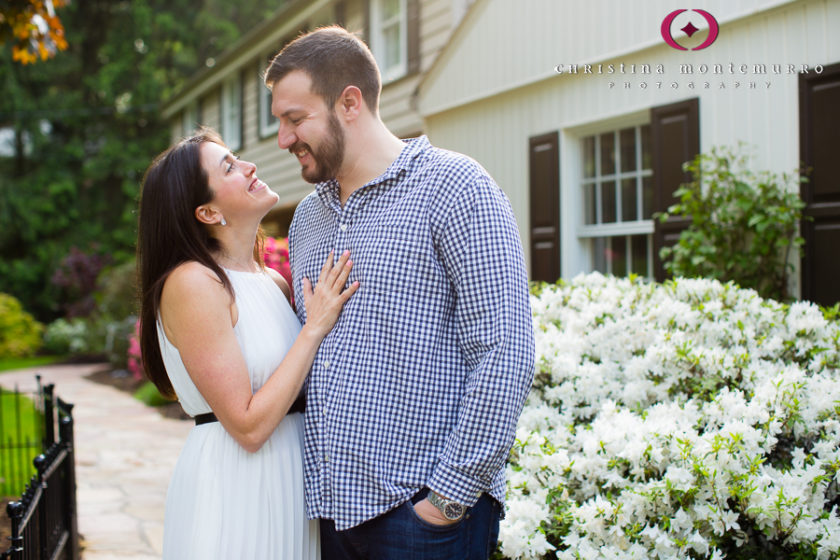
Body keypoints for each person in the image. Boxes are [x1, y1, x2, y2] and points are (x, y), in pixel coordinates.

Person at [264, 26, 536, 559]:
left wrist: (448, 500)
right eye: (279, 121)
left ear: (349, 103)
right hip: (333, 515)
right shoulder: (307, 221)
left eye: (295, 119)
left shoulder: (455, 186)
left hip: (423, 517)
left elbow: (506, 352)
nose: (283, 138)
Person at [137, 127, 358, 559]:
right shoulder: (193, 284)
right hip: (237, 484)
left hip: (291, 478)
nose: (249, 166)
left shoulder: (272, 282)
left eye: (236, 158)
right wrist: (314, 328)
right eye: (229, 167)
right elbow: (248, 425)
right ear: (207, 212)